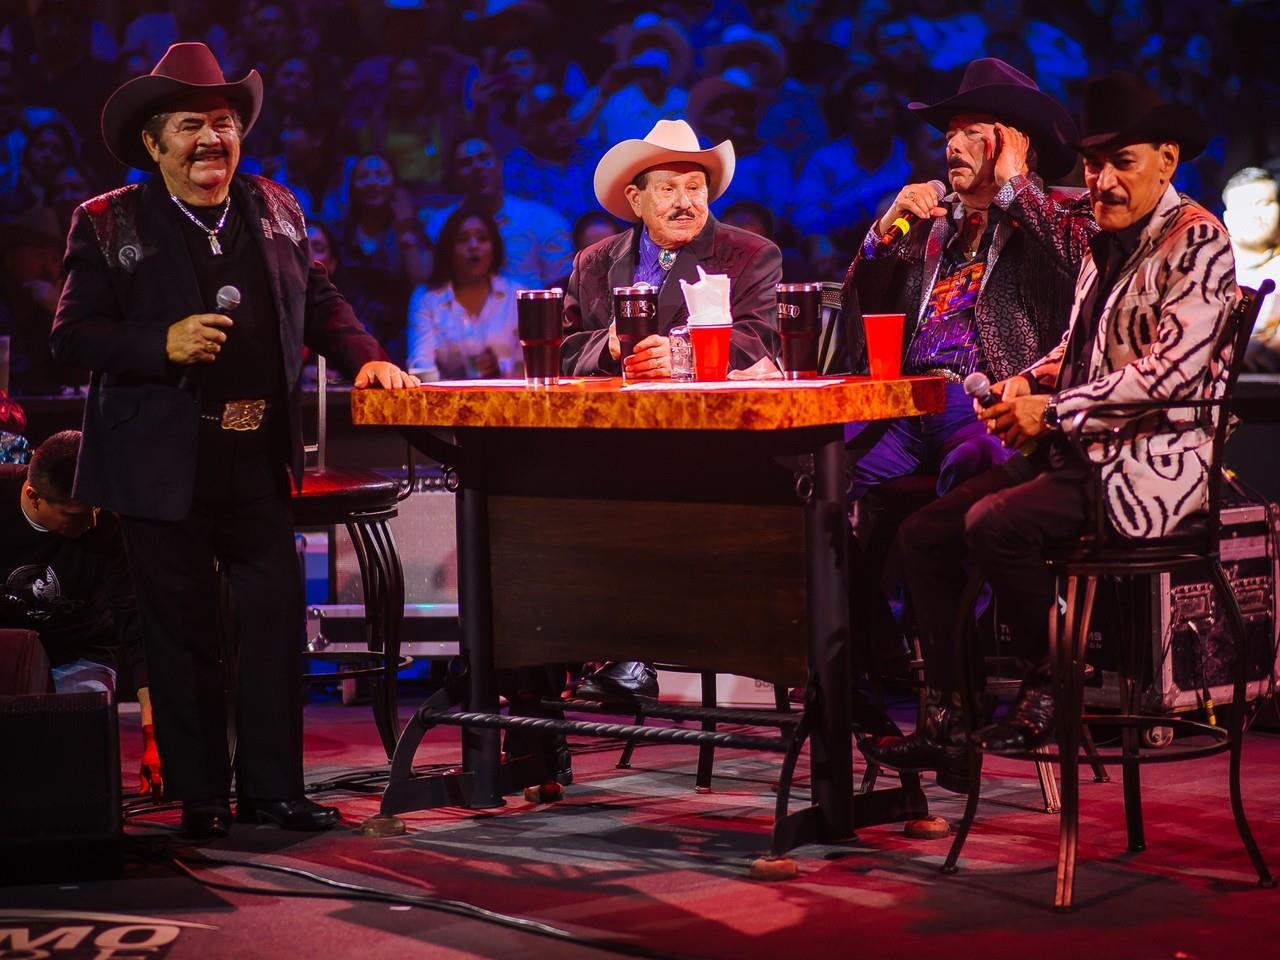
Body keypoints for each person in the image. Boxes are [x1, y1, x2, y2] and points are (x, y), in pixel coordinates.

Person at [49, 43, 419, 839]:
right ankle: (202, 800)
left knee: (273, 622)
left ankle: (274, 792)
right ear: (154, 143)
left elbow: (320, 301)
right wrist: (161, 342)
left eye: (223, 123)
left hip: (255, 457)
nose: (212, 140)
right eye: (191, 125)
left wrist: (368, 359)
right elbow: (72, 335)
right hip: (158, 464)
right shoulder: (108, 220)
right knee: (181, 635)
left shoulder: (277, 206)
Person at [871, 73, 1233, 782]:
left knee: (996, 524)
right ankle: (949, 720)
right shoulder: (1111, 241)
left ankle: (1055, 683)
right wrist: (1027, 381)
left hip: (1151, 465)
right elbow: (1081, 349)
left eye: (1120, 164)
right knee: (923, 534)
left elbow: (1170, 377)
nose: (1102, 183)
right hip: (1083, 451)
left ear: (1167, 159)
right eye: (1094, 167)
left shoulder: (1198, 241)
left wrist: (1053, 409)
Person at [846, 58, 1096, 792]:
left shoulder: (1067, 211)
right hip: (910, 400)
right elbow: (862, 307)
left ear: (1015, 145)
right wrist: (882, 231)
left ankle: (960, 694)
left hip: (992, 402)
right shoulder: (934, 225)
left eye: (970, 133)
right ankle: (882, 663)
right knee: (820, 483)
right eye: (947, 133)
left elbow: (1085, 268)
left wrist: (1020, 187)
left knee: (968, 482)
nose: (950, 146)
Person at [563, 117, 782, 700]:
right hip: (609, 439)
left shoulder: (750, 255)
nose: (686, 202)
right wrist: (607, 347)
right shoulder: (593, 263)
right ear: (635, 198)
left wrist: (680, 353)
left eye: (696, 188)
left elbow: (758, 340)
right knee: (526, 503)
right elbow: (561, 353)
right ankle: (531, 696)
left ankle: (626, 650)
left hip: (714, 448)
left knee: (616, 493)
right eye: (669, 188)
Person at [0, 431, 160, 797]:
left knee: (79, 767)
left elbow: (136, 626)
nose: (90, 521)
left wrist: (153, 737)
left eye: (95, 507)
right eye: (75, 514)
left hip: (80, 652)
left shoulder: (107, 525)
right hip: (6, 653)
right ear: (32, 496)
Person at [422, 136, 572, 289]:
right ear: (454, 175)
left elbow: (560, 285)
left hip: (530, 309)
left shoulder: (543, 220)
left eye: (484, 158)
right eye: (466, 163)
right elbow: (429, 285)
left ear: (500, 163)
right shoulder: (439, 224)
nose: (477, 167)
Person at [406, 204, 520, 380]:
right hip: (444, 402)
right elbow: (421, 365)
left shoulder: (517, 295)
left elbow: (529, 365)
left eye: (482, 238)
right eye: (462, 240)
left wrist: (500, 368)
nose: (473, 246)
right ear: (449, 249)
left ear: (494, 246)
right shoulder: (426, 298)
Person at [1221, 167, 1280, 371]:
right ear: (1227, 218)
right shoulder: (1206, 266)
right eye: (1243, 207)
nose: (1254, 215)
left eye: (1263, 204)